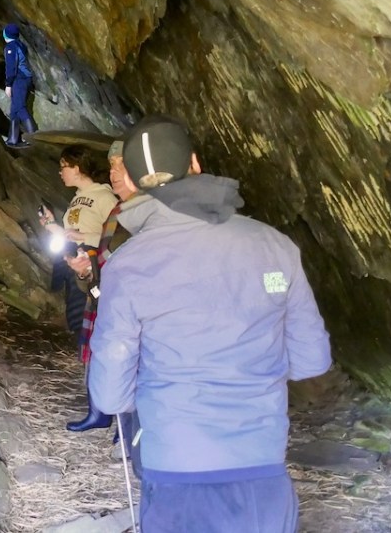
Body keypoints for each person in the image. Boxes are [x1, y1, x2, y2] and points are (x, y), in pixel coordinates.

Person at [89, 115, 332, 533]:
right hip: (262, 466)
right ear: (196, 164)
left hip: (176, 468)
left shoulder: (127, 265)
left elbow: (110, 395)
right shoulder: (275, 246)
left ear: (130, 180)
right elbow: (313, 359)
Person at [62, 140, 138, 434]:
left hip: (131, 302)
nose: (114, 173)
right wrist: (85, 271)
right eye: (112, 166)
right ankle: (100, 412)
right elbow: (105, 255)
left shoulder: (139, 212)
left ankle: (126, 430)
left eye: (121, 165)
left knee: (128, 358)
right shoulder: (118, 211)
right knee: (99, 349)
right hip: (104, 291)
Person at [38, 144, 117, 345]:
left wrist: (84, 236)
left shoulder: (104, 196)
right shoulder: (75, 201)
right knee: (76, 314)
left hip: (94, 263)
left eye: (63, 166)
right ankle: (84, 350)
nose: (60, 172)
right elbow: (70, 236)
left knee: (93, 312)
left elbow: (117, 236)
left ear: (76, 168)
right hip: (74, 262)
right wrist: (50, 225)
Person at [2, 23, 36, 147]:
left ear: (6, 35)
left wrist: (8, 85)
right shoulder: (21, 45)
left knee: (20, 107)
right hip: (25, 78)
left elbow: (11, 67)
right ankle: (13, 139)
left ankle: (34, 137)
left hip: (19, 79)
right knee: (14, 110)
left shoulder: (10, 47)